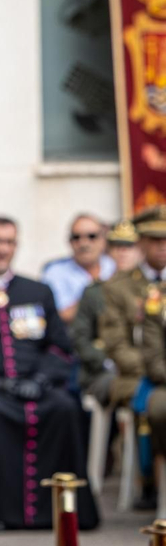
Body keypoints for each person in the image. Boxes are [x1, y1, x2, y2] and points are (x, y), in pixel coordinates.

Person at [0, 216, 98, 530]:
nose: (2, 249)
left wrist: (40, 380)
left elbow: (60, 348)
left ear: (16, 246)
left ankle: (63, 513)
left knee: (66, 409)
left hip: (37, 387)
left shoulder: (39, 292)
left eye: (9, 242)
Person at [108, 207, 166, 507]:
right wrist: (153, 367)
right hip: (134, 373)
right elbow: (115, 344)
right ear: (141, 242)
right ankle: (149, 481)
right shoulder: (118, 287)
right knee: (149, 403)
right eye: (155, 240)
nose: (162, 246)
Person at [72, 219, 135, 405]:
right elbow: (80, 338)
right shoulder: (95, 291)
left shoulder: (152, 291)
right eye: (116, 246)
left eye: (129, 246)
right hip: (105, 371)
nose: (123, 252)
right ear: (108, 250)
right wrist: (108, 362)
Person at [40, 212, 115, 321]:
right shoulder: (55, 273)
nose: (84, 243)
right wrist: (94, 295)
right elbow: (59, 316)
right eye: (76, 237)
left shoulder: (113, 266)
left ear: (103, 240)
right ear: (70, 242)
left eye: (92, 236)